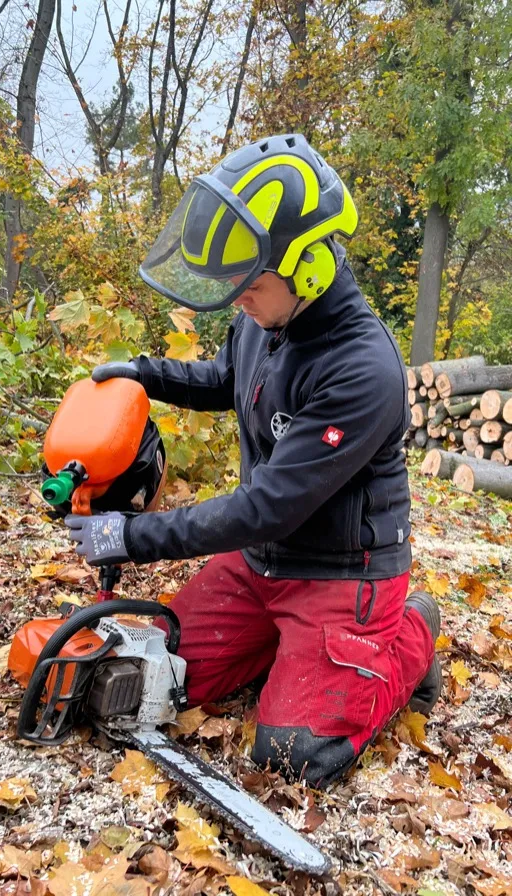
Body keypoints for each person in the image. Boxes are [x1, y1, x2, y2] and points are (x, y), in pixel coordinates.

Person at [65, 134, 442, 787]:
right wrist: (144, 375)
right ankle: (288, 648)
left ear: (309, 269)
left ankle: (410, 634)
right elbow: (224, 380)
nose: (237, 299)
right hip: (262, 562)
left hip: (339, 574)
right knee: (165, 675)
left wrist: (132, 535)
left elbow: (266, 506)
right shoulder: (265, 318)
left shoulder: (361, 369)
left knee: (295, 753)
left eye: (249, 286)